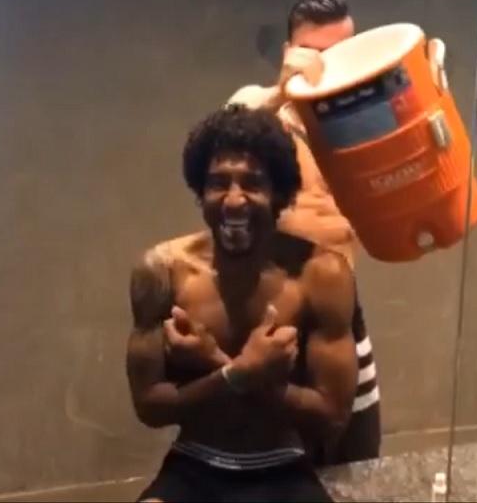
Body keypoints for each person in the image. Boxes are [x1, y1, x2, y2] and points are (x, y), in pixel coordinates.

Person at [127, 105, 358, 502]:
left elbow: (331, 416)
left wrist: (219, 363)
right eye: (218, 183)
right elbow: (149, 406)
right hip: (194, 465)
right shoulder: (162, 271)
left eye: (252, 183)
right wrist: (238, 373)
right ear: (201, 192)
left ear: (279, 194)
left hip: (283, 466)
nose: (234, 201)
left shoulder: (320, 274)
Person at [228, 0, 380, 465]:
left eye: (340, 53)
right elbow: (229, 148)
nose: (326, 66)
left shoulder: (366, 125)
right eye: (313, 52)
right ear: (289, 51)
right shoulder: (259, 108)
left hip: (342, 311)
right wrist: (284, 90)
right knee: (271, 463)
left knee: (358, 457)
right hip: (272, 312)